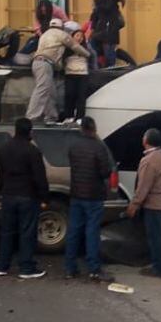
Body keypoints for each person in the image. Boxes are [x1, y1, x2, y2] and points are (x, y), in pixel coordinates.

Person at [0, 118, 48, 279]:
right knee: (27, 233)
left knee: (7, 231)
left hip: (8, 195)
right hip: (27, 196)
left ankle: (2, 266)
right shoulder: (32, 151)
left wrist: (2, 191)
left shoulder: (3, 149)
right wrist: (44, 197)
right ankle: (26, 267)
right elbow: (40, 177)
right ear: (29, 132)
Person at [64, 116, 115, 282]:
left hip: (76, 194)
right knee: (92, 232)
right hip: (93, 196)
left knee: (73, 231)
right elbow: (105, 171)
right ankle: (94, 269)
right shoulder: (98, 147)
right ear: (93, 128)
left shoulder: (74, 146)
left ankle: (70, 268)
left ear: (81, 129)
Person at [126, 128, 161, 277]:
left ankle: (157, 269)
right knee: (157, 236)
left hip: (152, 204)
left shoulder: (149, 160)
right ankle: (158, 266)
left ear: (146, 141)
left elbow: (144, 186)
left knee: (154, 238)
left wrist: (134, 205)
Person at [26, 18, 89, 123]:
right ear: (61, 27)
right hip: (45, 63)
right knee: (42, 90)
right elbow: (75, 46)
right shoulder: (61, 34)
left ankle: (51, 116)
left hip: (37, 63)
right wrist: (87, 54)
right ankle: (31, 117)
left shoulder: (45, 34)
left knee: (50, 92)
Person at [88, 0, 125, 68]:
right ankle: (98, 66)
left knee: (109, 54)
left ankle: (111, 70)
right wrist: (91, 29)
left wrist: (96, 4)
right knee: (91, 45)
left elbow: (107, 8)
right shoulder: (97, 2)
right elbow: (95, 17)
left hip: (110, 31)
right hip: (101, 32)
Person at [62, 21, 90, 123]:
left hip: (82, 74)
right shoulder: (67, 48)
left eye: (81, 36)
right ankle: (68, 116)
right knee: (69, 95)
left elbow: (90, 56)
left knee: (81, 97)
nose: (79, 38)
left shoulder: (85, 48)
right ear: (72, 36)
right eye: (77, 35)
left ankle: (80, 117)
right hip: (70, 74)